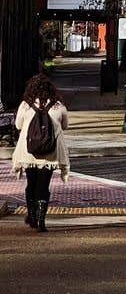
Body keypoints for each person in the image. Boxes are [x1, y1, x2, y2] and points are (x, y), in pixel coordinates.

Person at [11, 73, 70, 232]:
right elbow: (65, 126)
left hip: (29, 153)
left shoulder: (25, 105)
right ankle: (41, 220)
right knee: (44, 186)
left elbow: (17, 126)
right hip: (49, 154)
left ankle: (31, 216)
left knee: (31, 184)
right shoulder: (59, 106)